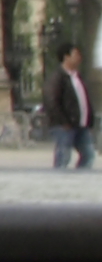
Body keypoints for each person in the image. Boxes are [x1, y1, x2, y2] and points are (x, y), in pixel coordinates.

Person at [49, 42, 96, 171]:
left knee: (88, 154)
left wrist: (90, 120)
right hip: (65, 125)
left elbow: (84, 100)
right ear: (66, 57)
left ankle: (80, 178)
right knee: (64, 156)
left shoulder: (77, 77)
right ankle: (59, 179)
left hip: (81, 124)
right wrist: (63, 121)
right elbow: (52, 101)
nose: (79, 57)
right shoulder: (57, 77)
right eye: (76, 54)